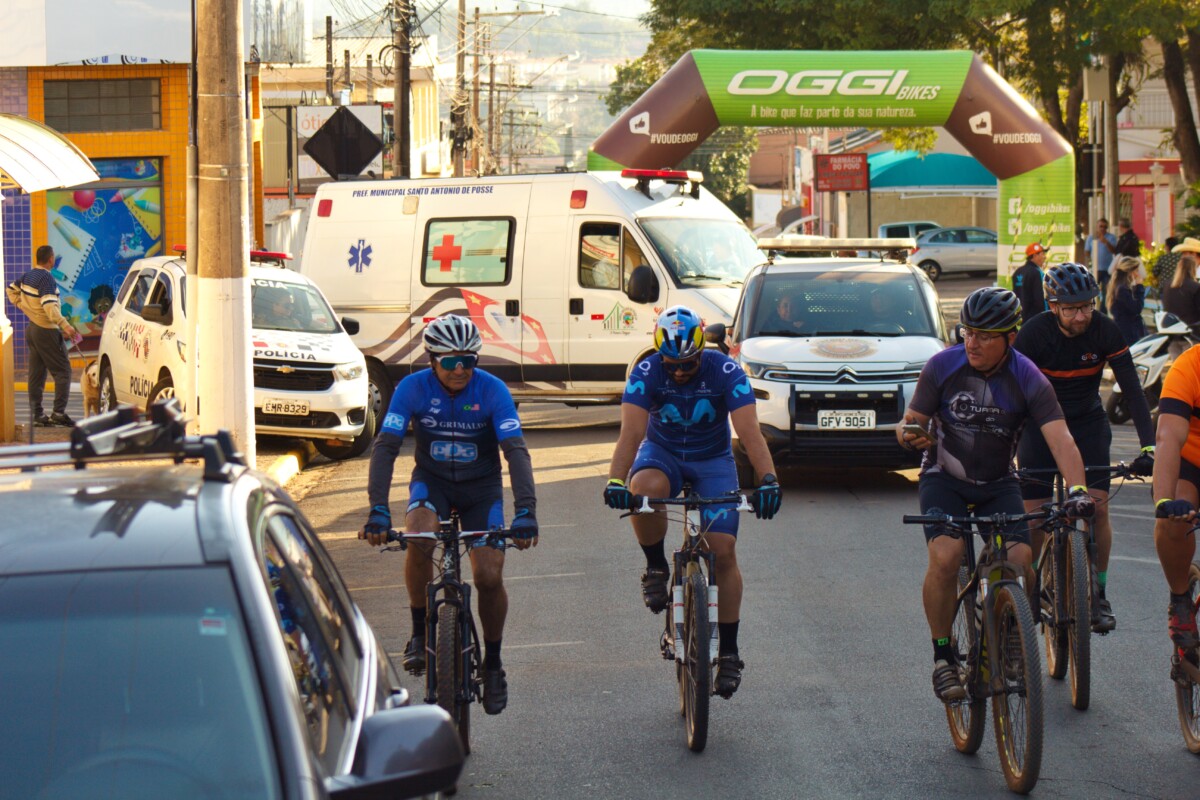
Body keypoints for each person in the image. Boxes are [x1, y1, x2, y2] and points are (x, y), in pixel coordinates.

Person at [897, 287, 1094, 703]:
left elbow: (1061, 440)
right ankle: (943, 656)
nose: (972, 342)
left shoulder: (1028, 377)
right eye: (968, 332)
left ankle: (1010, 635)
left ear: (1010, 337)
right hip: (943, 478)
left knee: (1021, 559)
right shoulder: (942, 365)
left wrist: (1078, 491)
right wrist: (908, 433)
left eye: (985, 336)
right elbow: (911, 419)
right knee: (947, 556)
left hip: (998, 482)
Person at [359, 314, 538, 716]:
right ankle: (419, 630)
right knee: (419, 537)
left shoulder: (492, 390)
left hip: (481, 489)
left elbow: (515, 451)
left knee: (488, 575)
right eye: (451, 361)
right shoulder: (411, 388)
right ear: (432, 359)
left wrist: (527, 510)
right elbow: (386, 447)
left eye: (468, 361)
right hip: (432, 483)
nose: (460, 369)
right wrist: (378, 509)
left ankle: (493, 663)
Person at [603, 305, 781, 699]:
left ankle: (729, 652)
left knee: (723, 550)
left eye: (689, 363)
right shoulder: (646, 372)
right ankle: (655, 566)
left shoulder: (725, 370)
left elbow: (750, 431)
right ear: (659, 354)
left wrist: (768, 479)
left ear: (702, 351)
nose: (681, 371)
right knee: (643, 488)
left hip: (711, 460)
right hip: (662, 453)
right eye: (673, 364)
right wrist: (616, 479)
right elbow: (631, 434)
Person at [1015, 264, 1155, 633]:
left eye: (1087, 306)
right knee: (1035, 517)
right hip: (1040, 426)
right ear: (1053, 307)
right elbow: (1011, 391)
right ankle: (1032, 584)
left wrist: (1149, 447)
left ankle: (1099, 592)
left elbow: (1132, 390)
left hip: (1087, 423)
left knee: (1097, 509)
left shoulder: (1104, 329)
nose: (1081, 316)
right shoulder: (1034, 334)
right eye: (1071, 309)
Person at [1152, 342, 1200, 654]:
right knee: (1175, 518)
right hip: (1190, 460)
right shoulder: (1189, 366)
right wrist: (1164, 501)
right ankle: (1180, 598)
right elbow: (1167, 437)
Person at [4, 245, 79, 427]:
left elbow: (10, 290)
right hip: (46, 330)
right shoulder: (47, 278)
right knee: (63, 371)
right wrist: (66, 326)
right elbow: (49, 307)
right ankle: (58, 413)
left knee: (36, 374)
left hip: (32, 329)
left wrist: (25, 307)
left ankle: (37, 415)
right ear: (51, 259)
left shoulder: (28, 276)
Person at [1107, 256, 1147, 346]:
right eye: (1136, 271)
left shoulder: (1118, 286)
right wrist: (1139, 287)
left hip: (1124, 329)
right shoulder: (1122, 290)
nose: (1138, 274)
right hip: (1127, 331)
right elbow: (1137, 308)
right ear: (1130, 272)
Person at [1163, 241, 1200, 326]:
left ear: (1194, 254)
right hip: (1189, 326)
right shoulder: (1193, 286)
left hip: (1175, 325)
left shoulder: (1168, 284)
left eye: (1184, 253)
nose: (1182, 256)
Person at [1084, 218, 1117, 308]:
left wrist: (1106, 242)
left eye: (1105, 227)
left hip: (1107, 269)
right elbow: (1086, 252)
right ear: (1097, 227)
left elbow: (1114, 251)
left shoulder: (1111, 237)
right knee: (1092, 291)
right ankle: (1092, 308)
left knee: (1107, 292)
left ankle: (1103, 310)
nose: (1103, 229)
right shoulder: (1091, 238)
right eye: (1101, 226)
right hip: (1096, 269)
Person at [1012, 242, 1047, 325]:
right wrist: (1046, 318)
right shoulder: (1037, 273)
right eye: (1042, 254)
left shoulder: (1018, 272)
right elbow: (1040, 300)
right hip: (1035, 321)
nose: (1044, 257)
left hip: (1020, 320)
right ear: (1034, 256)